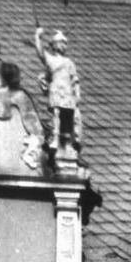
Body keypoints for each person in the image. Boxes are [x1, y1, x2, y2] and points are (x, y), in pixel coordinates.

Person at [32, 27, 82, 164]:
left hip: (66, 91)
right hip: (56, 89)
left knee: (68, 116)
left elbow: (74, 79)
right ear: (54, 46)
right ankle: (55, 138)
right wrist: (38, 36)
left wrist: (77, 94)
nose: (62, 45)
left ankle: (69, 139)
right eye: (59, 43)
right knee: (56, 113)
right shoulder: (51, 60)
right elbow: (40, 52)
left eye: (64, 43)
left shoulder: (69, 62)